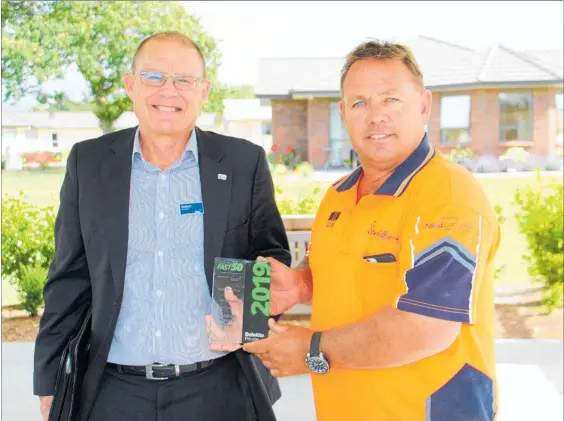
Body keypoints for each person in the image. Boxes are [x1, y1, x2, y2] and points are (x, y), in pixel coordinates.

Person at [33, 31, 291, 421]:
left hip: (219, 388)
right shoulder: (90, 163)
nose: (169, 91)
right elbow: (68, 276)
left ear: (203, 91)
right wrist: (50, 378)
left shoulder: (242, 162)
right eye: (154, 77)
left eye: (184, 80)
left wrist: (248, 325)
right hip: (112, 391)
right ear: (130, 85)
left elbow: (269, 257)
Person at [244, 40, 500, 421]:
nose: (375, 116)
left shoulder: (447, 195)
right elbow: (342, 272)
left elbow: (426, 327)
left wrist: (310, 350)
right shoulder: (339, 194)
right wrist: (298, 286)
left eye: (390, 99)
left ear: (424, 106)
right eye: (360, 103)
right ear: (344, 112)